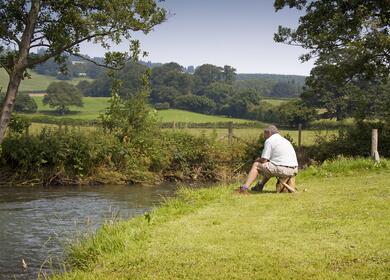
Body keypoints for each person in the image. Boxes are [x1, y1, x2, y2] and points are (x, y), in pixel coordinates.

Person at [239, 125, 298, 193]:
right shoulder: (285, 140)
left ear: (269, 133)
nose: (264, 136)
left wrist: (257, 160)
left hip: (283, 169)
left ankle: (245, 187)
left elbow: (264, 160)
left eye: (264, 133)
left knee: (256, 165)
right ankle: (260, 186)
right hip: (294, 170)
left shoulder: (269, 140)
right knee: (269, 166)